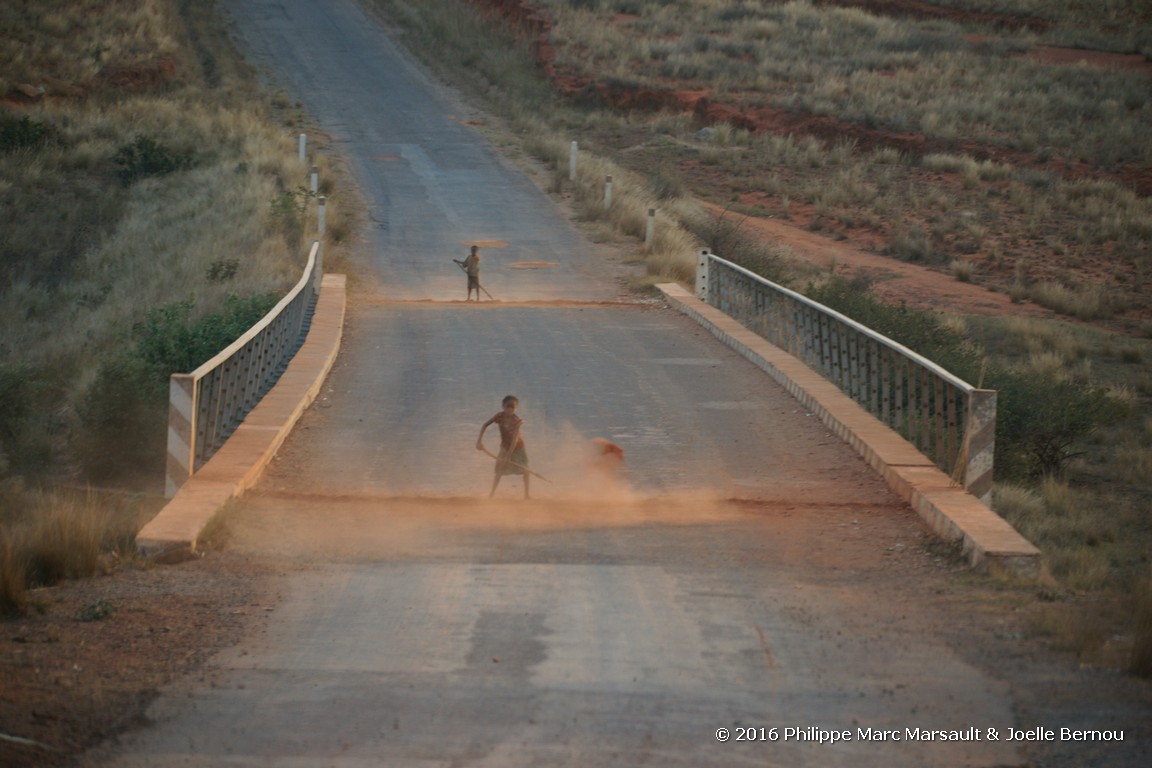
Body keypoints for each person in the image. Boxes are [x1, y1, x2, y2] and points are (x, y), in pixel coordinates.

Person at [477, 394, 530, 498]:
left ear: (516, 408)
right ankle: (491, 494)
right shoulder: (499, 416)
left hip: (518, 447)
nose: (510, 410)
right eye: (507, 407)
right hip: (505, 446)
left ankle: (526, 495)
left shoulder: (516, 421)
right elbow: (485, 425)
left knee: (526, 470)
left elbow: (515, 439)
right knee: (499, 471)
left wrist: (509, 455)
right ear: (503, 406)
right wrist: (479, 441)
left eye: (513, 407)